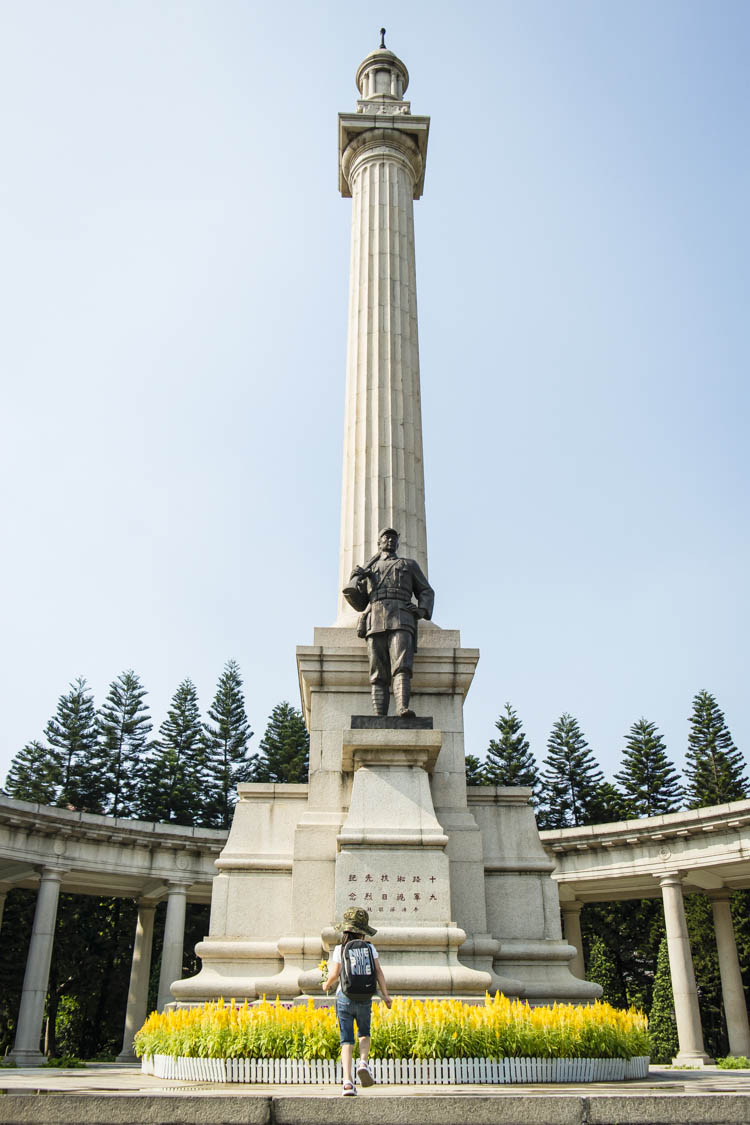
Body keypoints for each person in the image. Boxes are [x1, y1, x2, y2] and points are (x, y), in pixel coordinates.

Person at [342, 527, 435, 717]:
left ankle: (402, 708)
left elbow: (426, 591)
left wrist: (422, 610)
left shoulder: (409, 565)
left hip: (402, 617)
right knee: (377, 671)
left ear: (398, 542)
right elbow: (360, 604)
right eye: (386, 538)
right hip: (375, 619)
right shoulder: (369, 569)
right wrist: (356, 579)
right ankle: (379, 715)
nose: (390, 540)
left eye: (393, 538)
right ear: (379, 543)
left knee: (402, 666)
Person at [322, 907, 392, 1096]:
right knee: (364, 1033)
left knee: (346, 1040)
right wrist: (385, 995)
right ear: (363, 931)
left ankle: (347, 1082)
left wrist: (326, 984)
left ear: (345, 930)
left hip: (344, 996)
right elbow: (379, 973)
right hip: (365, 996)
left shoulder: (340, 949)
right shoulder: (370, 948)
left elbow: (335, 974)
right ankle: (363, 1062)